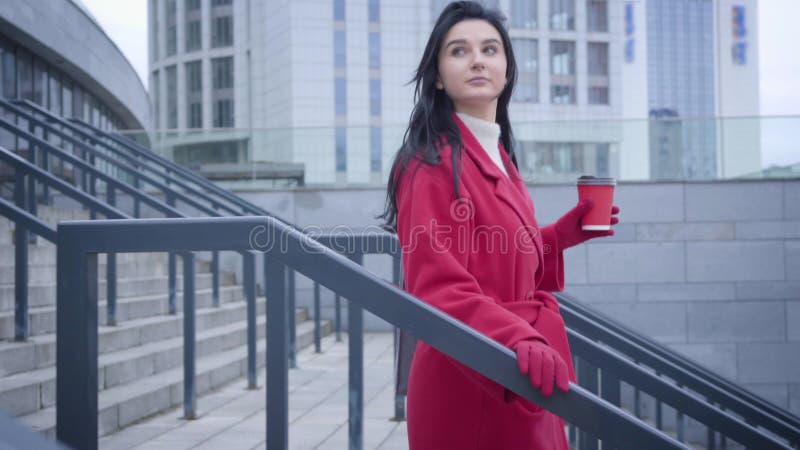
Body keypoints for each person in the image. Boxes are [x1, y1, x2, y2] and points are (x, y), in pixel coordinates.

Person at [380, 2, 620, 449]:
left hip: (516, 366)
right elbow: (437, 285)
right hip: (473, 376)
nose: (476, 59)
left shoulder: (498, 155)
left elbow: (498, 260)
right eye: (458, 51)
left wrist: (557, 238)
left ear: (506, 69)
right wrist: (516, 334)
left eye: (490, 49)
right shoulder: (428, 163)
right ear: (437, 74)